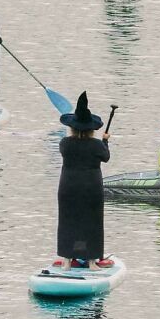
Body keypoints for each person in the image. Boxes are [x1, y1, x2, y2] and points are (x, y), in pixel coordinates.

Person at [56, 92, 113, 271]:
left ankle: (67, 260)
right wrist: (105, 142)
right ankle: (91, 261)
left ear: (72, 128)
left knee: (68, 220)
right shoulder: (96, 145)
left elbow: (76, 148)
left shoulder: (65, 143)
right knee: (92, 222)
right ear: (91, 129)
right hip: (91, 188)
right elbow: (105, 157)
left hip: (68, 187)